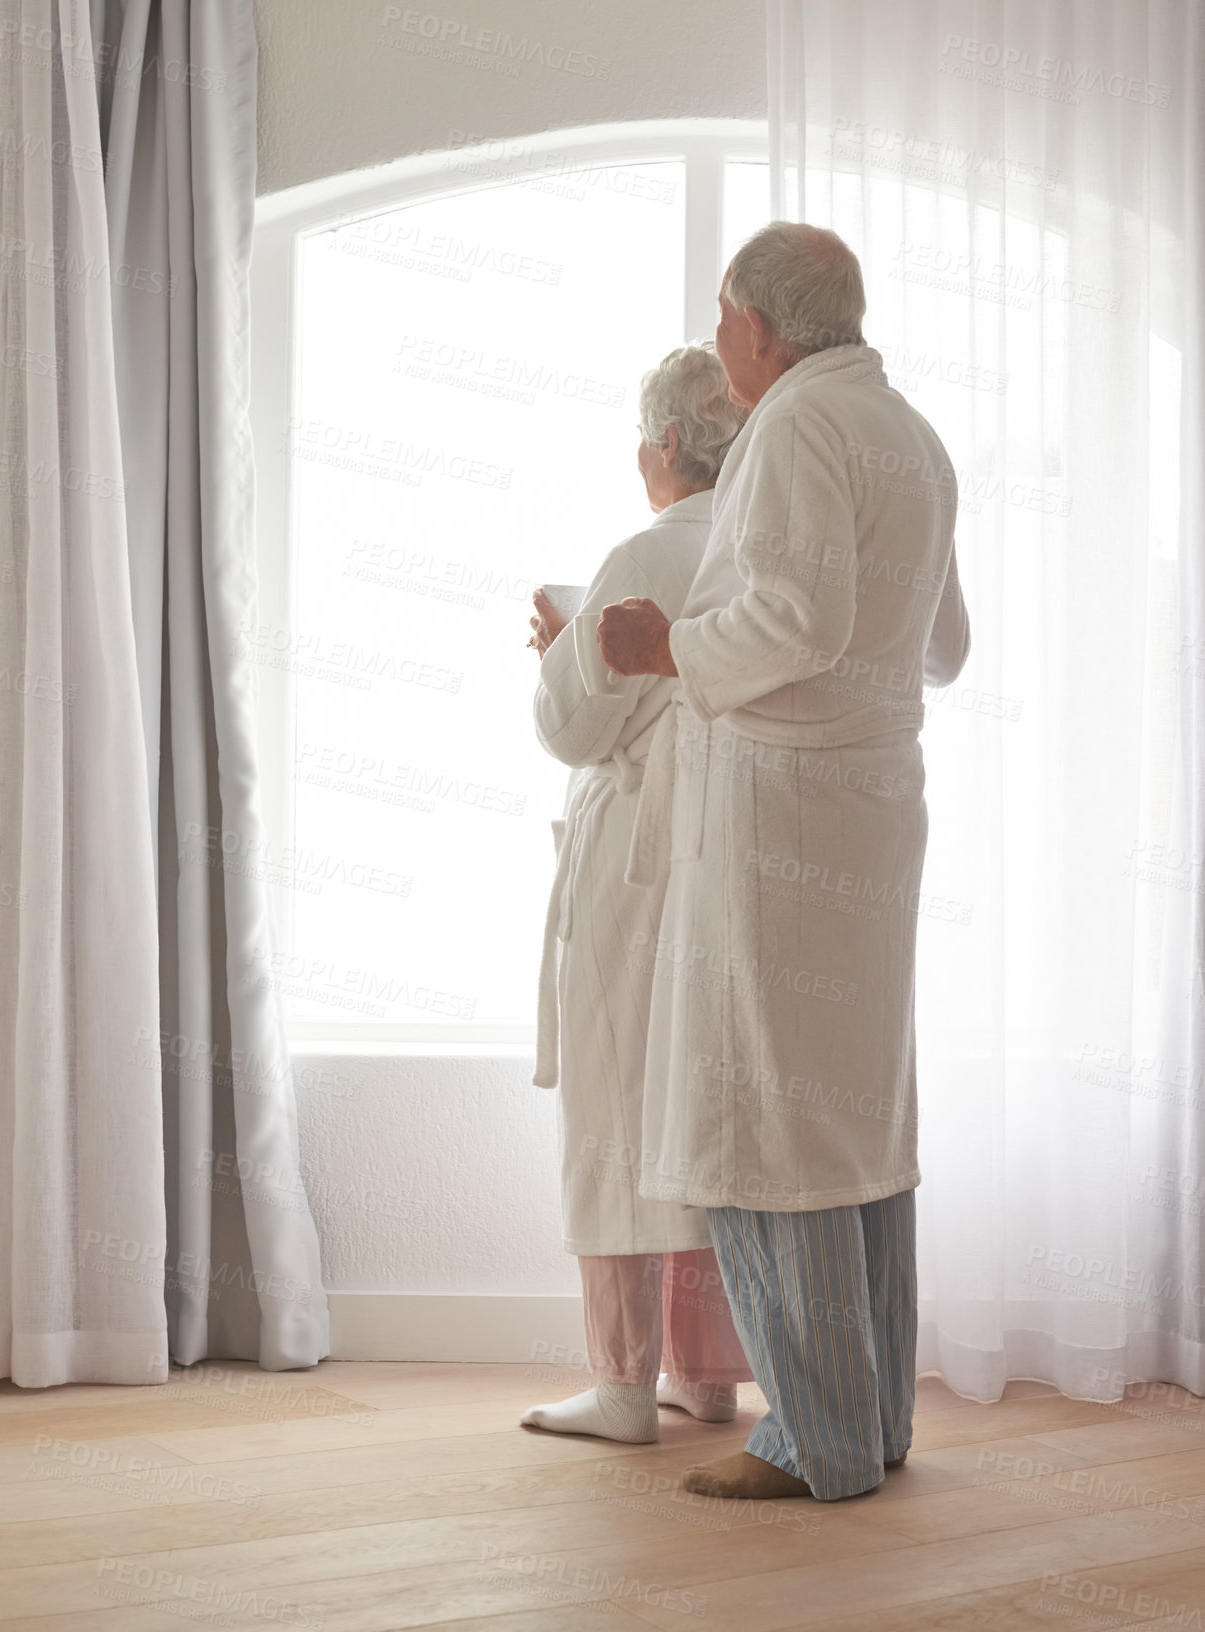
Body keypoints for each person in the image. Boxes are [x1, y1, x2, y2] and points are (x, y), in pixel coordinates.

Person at [597, 223, 971, 1500]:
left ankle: (809, 1441)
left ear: (762, 325)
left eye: (720, 314)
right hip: (876, 800)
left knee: (765, 1112)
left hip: (787, 811)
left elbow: (797, 619)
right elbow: (941, 648)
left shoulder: (798, 428)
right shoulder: (910, 435)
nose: (715, 339)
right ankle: (870, 1423)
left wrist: (667, 650)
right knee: (851, 1116)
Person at [521, 345, 753, 1446]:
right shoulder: (758, 548)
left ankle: (621, 1384)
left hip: (632, 865)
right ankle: (708, 1376)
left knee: (614, 1107)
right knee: (697, 1105)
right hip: (723, 860)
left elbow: (574, 723)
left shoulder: (647, 549)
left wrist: (567, 649)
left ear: (663, 446)